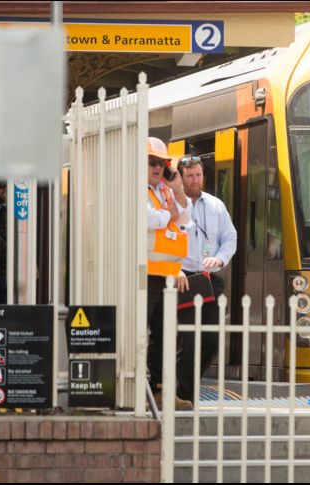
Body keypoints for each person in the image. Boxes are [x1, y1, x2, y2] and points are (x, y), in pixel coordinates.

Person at [175, 154, 237, 402]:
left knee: (211, 339)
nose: (195, 180)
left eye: (198, 175)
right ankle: (184, 394)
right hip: (183, 278)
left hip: (209, 279)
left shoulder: (216, 205)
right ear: (181, 177)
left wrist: (220, 259)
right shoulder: (174, 205)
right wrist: (174, 268)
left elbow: (229, 238)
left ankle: (185, 385)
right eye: (189, 175)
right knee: (187, 340)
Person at [146, 137, 193, 410]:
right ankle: (145, 390)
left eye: (162, 163)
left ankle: (162, 390)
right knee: (144, 332)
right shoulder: (141, 190)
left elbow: (184, 217)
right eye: (152, 162)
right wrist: (170, 214)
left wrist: (178, 191)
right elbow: (151, 219)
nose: (157, 168)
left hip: (167, 273)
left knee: (165, 334)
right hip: (146, 272)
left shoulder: (165, 191)